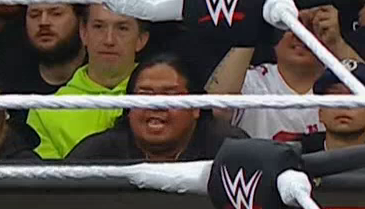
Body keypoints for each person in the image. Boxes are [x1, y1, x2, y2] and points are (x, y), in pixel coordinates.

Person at [69, 54, 248, 162]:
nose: (155, 105)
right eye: (145, 95)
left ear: (196, 108)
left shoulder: (231, 150)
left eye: (169, 96)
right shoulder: (96, 154)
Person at [27, 1, 147, 159]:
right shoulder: (46, 110)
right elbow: (48, 174)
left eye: (122, 28)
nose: (109, 40)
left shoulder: (158, 98)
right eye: (98, 27)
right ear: (83, 33)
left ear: (141, 39)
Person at [208, 24, 336, 143]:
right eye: (289, 26)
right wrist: (252, 29)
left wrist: (338, 42)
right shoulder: (249, 81)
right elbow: (217, 109)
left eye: (310, 27)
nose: (299, 35)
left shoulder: (341, 83)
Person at [302, 64, 365, 153]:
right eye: (334, 97)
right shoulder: (295, 159)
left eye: (354, 98)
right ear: (320, 112)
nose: (343, 105)